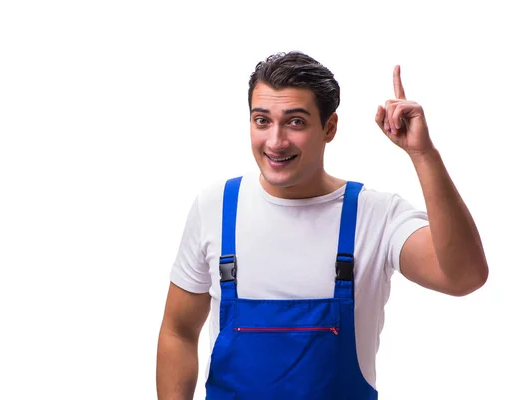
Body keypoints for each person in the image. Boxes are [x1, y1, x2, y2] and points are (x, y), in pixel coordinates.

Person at [156, 51, 488, 399]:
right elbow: (178, 332)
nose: (275, 141)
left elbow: (463, 276)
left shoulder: (374, 216)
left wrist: (423, 154)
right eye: (262, 121)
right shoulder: (216, 208)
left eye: (295, 122)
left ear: (329, 127)